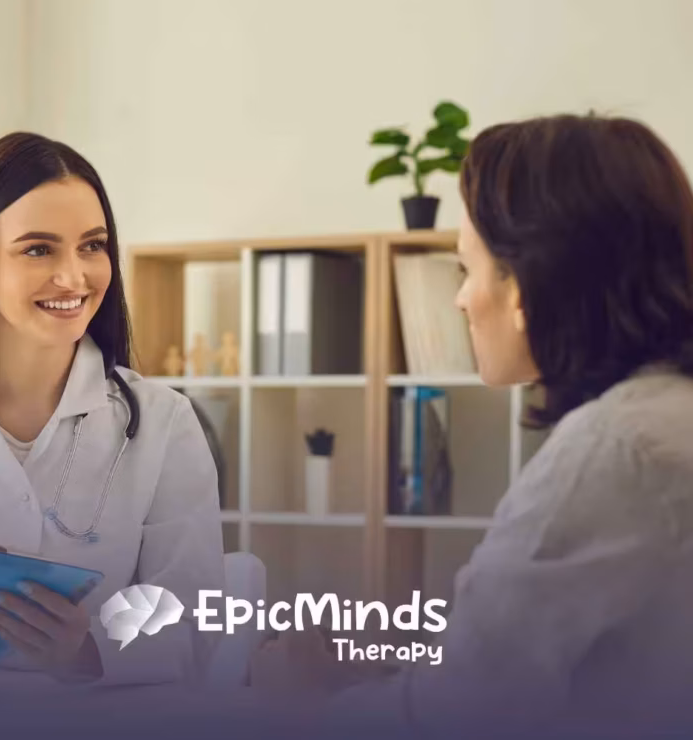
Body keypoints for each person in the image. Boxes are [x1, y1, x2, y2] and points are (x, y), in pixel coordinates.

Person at [250, 113, 693, 736]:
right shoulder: (668, 418)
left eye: (466, 269)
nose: (460, 299)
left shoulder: (613, 452)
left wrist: (302, 702)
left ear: (522, 286)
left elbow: (456, 716)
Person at [0, 132, 225, 689]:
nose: (74, 277)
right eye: (38, 249)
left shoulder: (162, 422)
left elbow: (197, 618)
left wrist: (90, 649)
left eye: (92, 246)